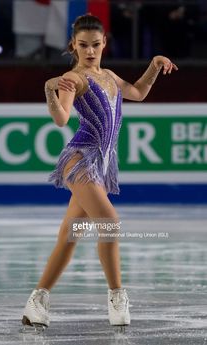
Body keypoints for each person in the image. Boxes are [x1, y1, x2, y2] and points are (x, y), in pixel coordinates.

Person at [21, 14, 178, 330]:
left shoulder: (109, 75)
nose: (90, 51)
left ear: (104, 43)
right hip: (79, 161)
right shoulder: (75, 78)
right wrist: (50, 90)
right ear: (74, 46)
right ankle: (117, 295)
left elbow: (137, 92)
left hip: (101, 164)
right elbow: (62, 119)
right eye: (83, 45)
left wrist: (155, 65)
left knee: (69, 237)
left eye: (95, 44)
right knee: (110, 223)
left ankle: (36, 302)